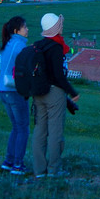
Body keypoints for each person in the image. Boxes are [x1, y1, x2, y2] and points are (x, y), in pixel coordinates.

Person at [32, 13, 79, 178]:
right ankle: (54, 169)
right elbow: (59, 76)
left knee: (39, 130)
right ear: (56, 28)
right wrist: (72, 92)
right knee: (55, 132)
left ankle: (39, 170)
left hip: (38, 92)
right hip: (54, 93)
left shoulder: (38, 45)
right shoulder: (56, 47)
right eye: (60, 24)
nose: (62, 26)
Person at [0, 16, 30, 175]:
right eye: (25, 27)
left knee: (16, 128)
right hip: (14, 91)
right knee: (23, 129)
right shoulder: (20, 45)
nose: (27, 29)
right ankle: (17, 165)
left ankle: (8, 162)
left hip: (3, 89)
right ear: (17, 31)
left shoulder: (8, 44)